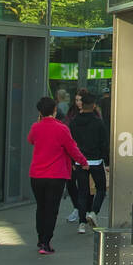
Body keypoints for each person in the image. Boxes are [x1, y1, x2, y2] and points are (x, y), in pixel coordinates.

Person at [29, 96, 87, 255]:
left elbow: (31, 140)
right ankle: (46, 242)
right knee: (52, 209)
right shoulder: (62, 129)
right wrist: (83, 162)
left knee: (41, 207)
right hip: (56, 175)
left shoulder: (36, 127)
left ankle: (41, 238)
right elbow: (72, 148)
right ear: (55, 110)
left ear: (40, 111)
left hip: (37, 174)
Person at [66, 91, 109, 232]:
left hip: (80, 162)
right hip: (96, 161)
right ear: (94, 105)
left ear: (81, 105)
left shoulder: (74, 122)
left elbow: (71, 143)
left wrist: (73, 160)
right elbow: (104, 143)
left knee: (82, 192)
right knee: (101, 188)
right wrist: (106, 161)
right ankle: (94, 212)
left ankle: (81, 223)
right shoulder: (98, 123)